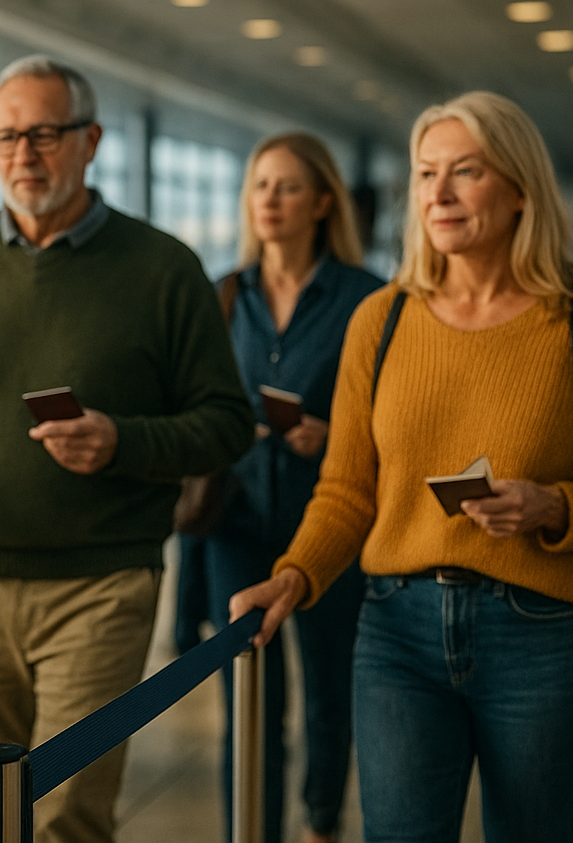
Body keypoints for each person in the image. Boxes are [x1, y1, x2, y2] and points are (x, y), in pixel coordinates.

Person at [232, 91, 573, 843]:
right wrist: (293, 576)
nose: (436, 193)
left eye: (463, 172)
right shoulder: (382, 318)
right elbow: (347, 487)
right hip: (395, 632)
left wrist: (555, 508)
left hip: (546, 634)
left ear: (519, 190)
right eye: (424, 173)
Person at [0, 54, 253, 843]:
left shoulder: (163, 269)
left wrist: (121, 439)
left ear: (89, 141)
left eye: (45, 134)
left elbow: (226, 422)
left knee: (66, 816)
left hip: (102, 583)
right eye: (7, 136)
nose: (24, 154)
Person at [178, 133, 382, 843]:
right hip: (237, 518)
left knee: (329, 691)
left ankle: (321, 822)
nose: (269, 199)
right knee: (250, 696)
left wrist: (333, 436)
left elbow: (391, 421)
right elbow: (196, 403)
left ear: (323, 201)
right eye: (260, 185)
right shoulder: (224, 294)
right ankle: (252, 830)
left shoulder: (368, 300)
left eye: (288, 186)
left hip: (328, 526)